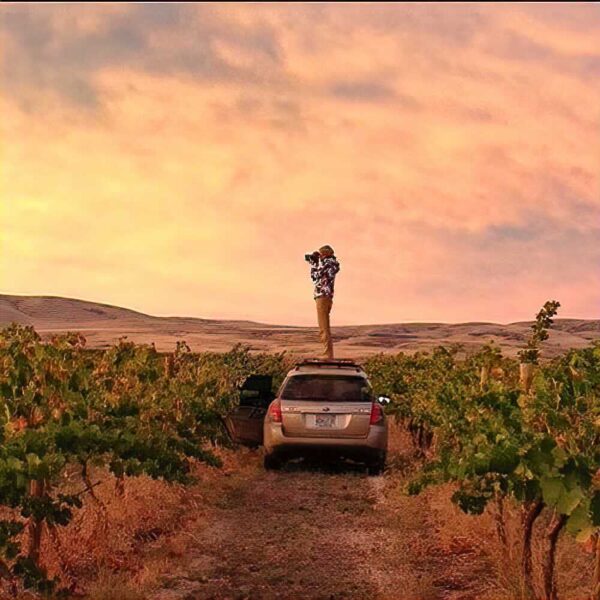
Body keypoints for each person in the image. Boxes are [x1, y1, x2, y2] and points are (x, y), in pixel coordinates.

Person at [307, 245, 340, 359]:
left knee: (323, 327)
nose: (319, 257)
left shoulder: (328, 264)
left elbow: (315, 276)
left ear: (325, 254)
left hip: (322, 296)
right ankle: (327, 353)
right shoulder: (331, 264)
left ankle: (327, 354)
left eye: (320, 254)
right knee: (324, 327)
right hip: (326, 297)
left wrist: (313, 264)